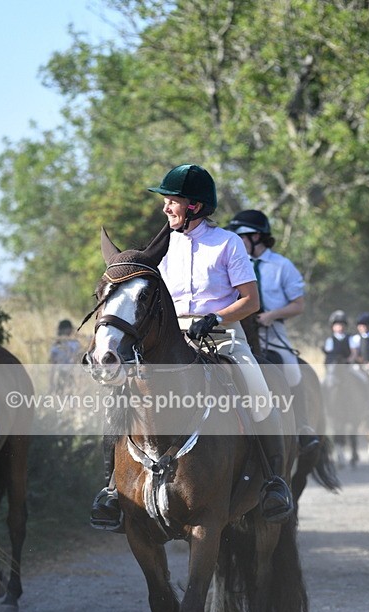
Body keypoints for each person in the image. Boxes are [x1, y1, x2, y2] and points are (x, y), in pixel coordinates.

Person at [91, 163, 295, 532]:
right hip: (169, 337)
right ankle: (110, 487)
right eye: (166, 202)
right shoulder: (161, 247)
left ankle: (272, 483)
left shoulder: (228, 244)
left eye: (172, 201)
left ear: (195, 207)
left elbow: (250, 301)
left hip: (221, 335)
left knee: (259, 392)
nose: (166, 208)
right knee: (119, 398)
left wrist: (215, 318)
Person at [226, 209, 319, 451]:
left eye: (241, 237)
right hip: (238, 330)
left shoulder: (281, 266)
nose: (236, 242)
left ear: (255, 237)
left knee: (291, 370)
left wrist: (271, 315)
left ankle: (303, 426)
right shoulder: (233, 262)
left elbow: (299, 305)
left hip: (272, 331)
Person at [48, 319, 81, 393]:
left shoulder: (56, 345)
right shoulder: (74, 344)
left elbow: (52, 365)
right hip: (64, 374)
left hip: (70, 374)